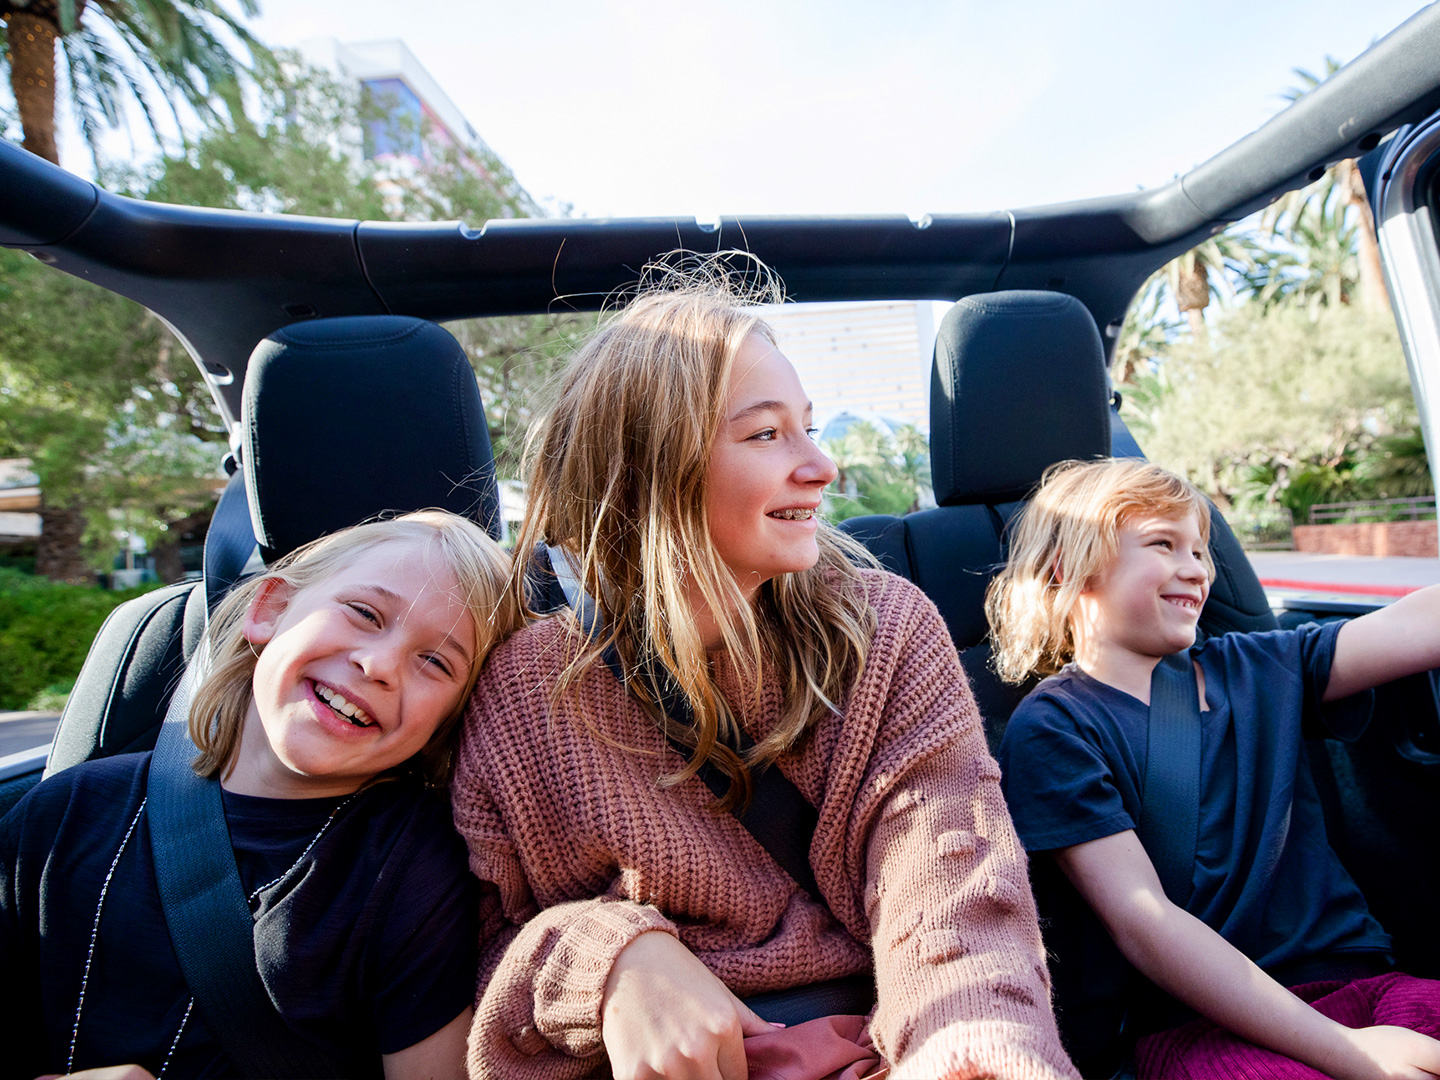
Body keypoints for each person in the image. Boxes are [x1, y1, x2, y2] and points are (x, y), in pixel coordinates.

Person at [450, 260, 1078, 1080]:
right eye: (765, 433)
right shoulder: (523, 690)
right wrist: (610, 960)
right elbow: (490, 956)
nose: (821, 467)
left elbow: (957, 897)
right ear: (646, 471)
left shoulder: (882, 629)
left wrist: (976, 1061)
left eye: (809, 426)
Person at [0, 509, 518, 1080]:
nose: (378, 665)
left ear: (451, 719)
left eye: (435, 662)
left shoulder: (414, 867)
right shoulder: (66, 812)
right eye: (364, 613)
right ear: (269, 607)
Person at [988, 457, 1440, 1080]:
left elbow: (1417, 623)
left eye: (1201, 549)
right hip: (1199, 1024)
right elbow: (1145, 923)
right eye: (1163, 544)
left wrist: (1366, 1037)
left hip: (1362, 982)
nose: (1196, 568)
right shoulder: (1056, 728)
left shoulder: (1262, 666)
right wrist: (1352, 1054)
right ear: (1070, 568)